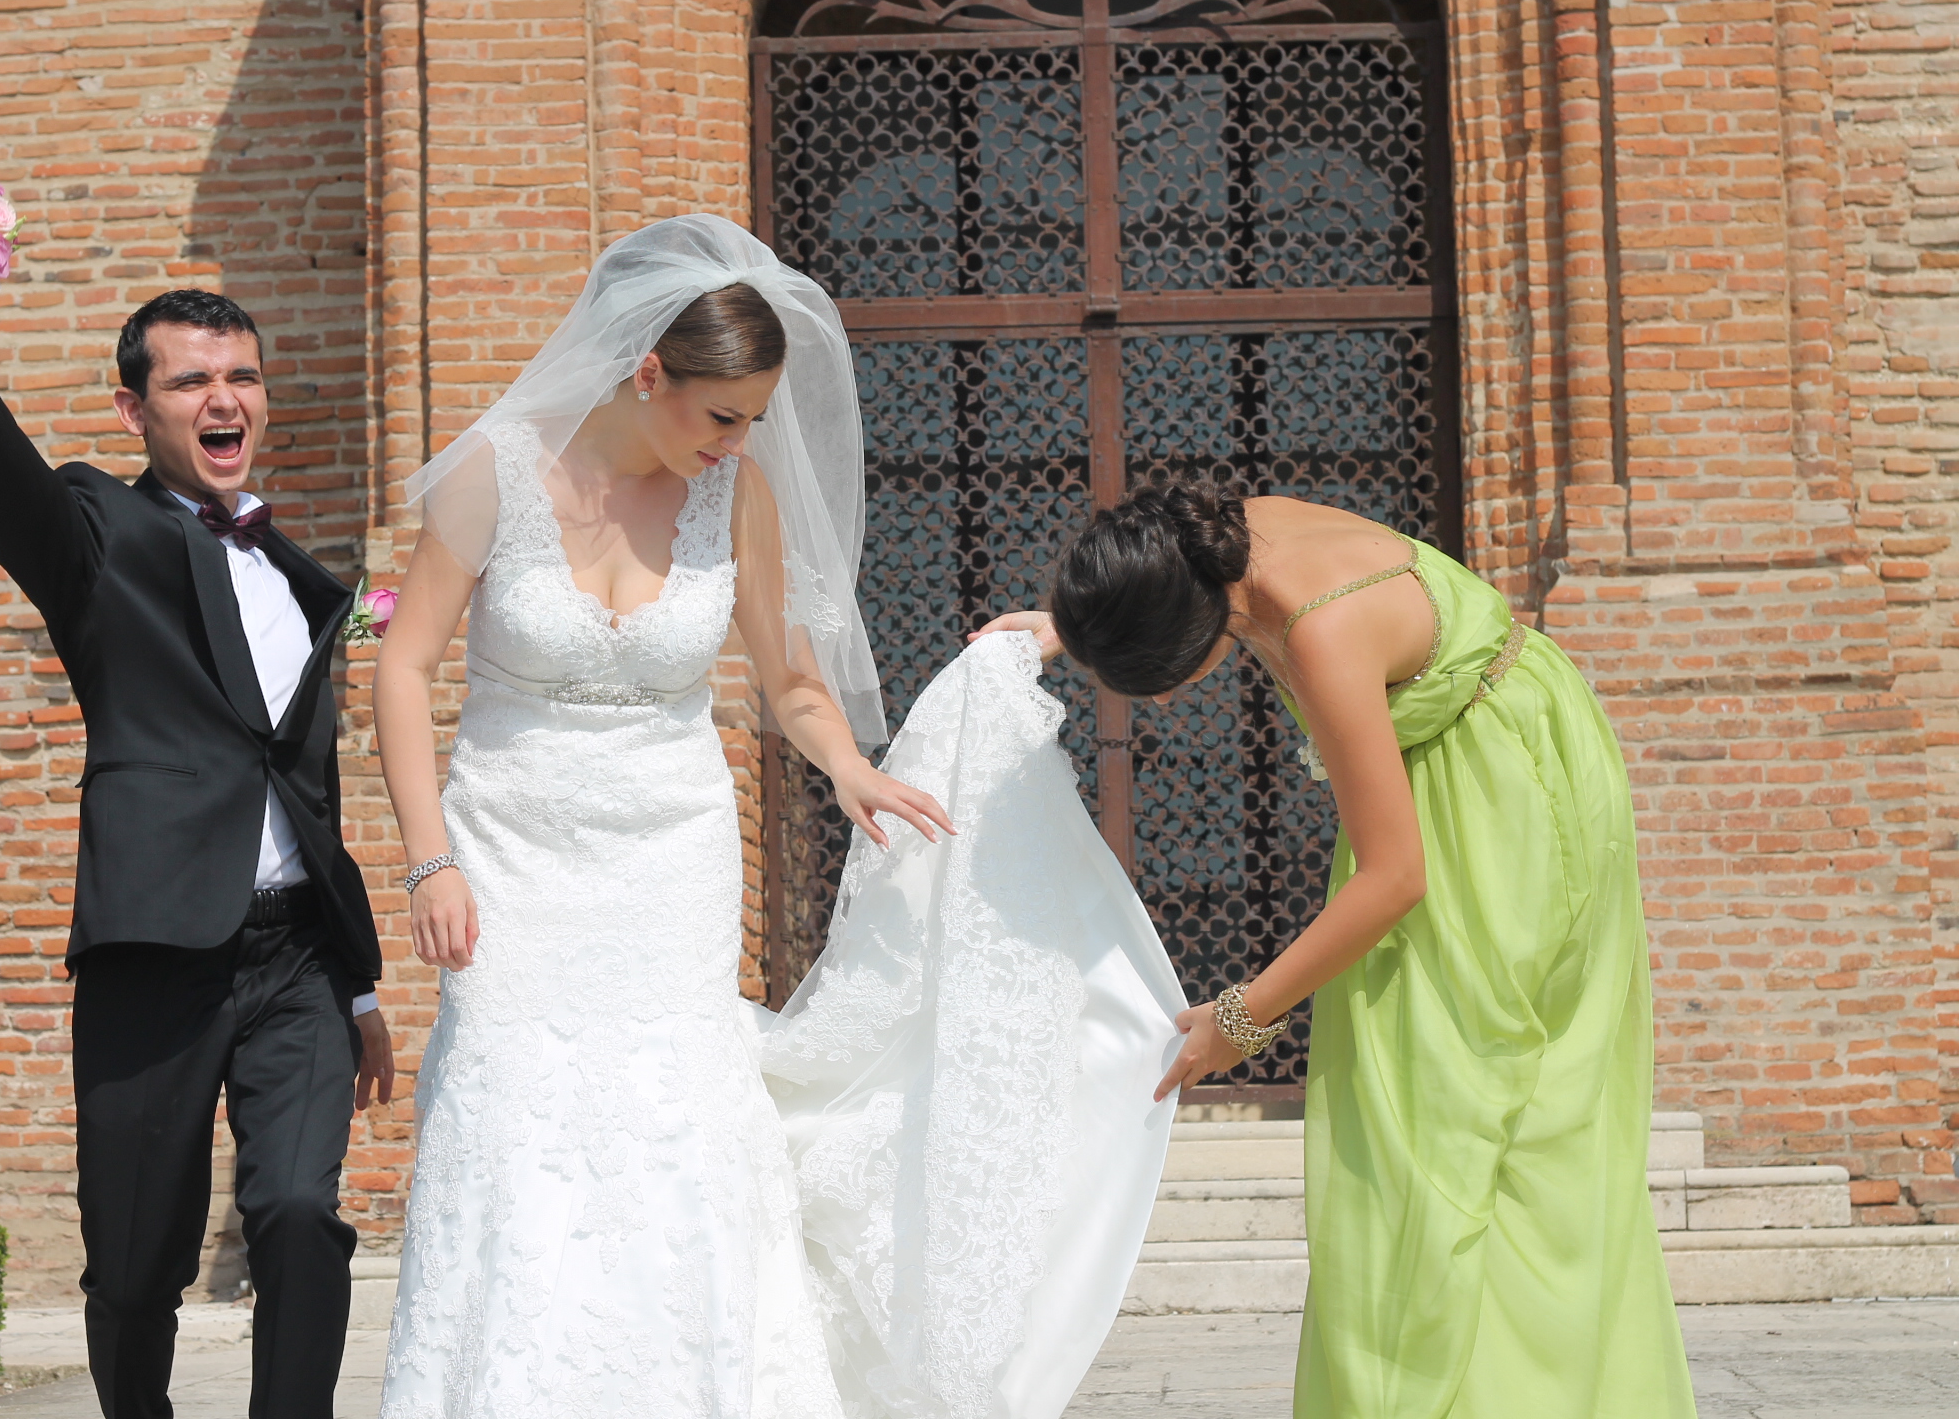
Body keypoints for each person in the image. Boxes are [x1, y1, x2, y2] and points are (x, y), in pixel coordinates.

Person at [372, 214, 1184, 1417]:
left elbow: (790, 681)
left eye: (754, 417)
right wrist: (430, 860)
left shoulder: (733, 495)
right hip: (512, 852)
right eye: (722, 415)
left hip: (671, 854)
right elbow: (400, 669)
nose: (739, 441)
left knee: (680, 1111)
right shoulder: (495, 471)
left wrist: (849, 766)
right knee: (512, 1106)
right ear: (648, 373)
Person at [981, 484, 1697, 1417]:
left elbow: (1394, 877)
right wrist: (1077, 630)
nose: (1161, 698)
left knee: (1444, 1124)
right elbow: (1176, 582)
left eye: (1156, 680)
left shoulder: (1322, 630)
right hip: (1500, 747)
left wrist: (1242, 1018)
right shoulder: (1229, 537)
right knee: (1473, 1119)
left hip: (1497, 811)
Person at [0, 293, 396, 1419]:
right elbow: (8, 485)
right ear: (133, 409)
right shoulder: (97, 533)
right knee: (133, 1260)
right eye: (191, 380)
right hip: (154, 947)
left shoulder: (304, 580)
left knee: (300, 1213)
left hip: (301, 959)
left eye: (242, 377)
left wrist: (358, 985)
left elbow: (310, 794)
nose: (225, 399)